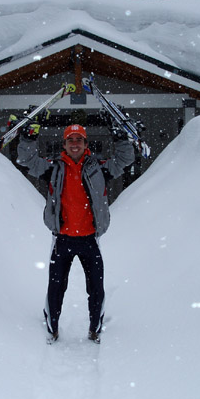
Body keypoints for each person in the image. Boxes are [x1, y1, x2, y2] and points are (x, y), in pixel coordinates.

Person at [17, 122, 134, 343]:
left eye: (79, 139)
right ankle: (52, 328)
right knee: (56, 287)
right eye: (70, 140)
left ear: (85, 143)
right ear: (64, 144)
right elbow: (28, 161)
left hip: (90, 239)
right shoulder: (54, 168)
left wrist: (121, 139)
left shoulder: (98, 168)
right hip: (63, 239)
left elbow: (124, 160)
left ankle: (94, 329)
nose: (75, 143)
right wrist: (28, 138)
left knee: (96, 289)